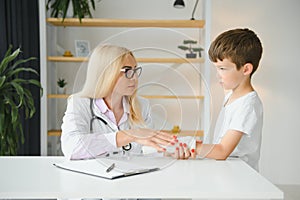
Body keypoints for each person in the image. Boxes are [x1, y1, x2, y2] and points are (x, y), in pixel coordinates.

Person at [61, 44, 177, 160]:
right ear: (106, 73)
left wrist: (172, 151)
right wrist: (128, 135)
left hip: (132, 174)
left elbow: (148, 147)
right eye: (127, 70)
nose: (135, 78)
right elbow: (71, 147)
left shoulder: (142, 105)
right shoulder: (79, 103)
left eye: (135, 70)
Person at [175, 28, 263, 171]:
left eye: (222, 69)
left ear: (246, 70)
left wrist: (190, 145)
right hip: (226, 170)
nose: (218, 75)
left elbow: (222, 151)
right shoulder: (231, 93)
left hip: (241, 176)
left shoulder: (248, 105)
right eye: (217, 68)